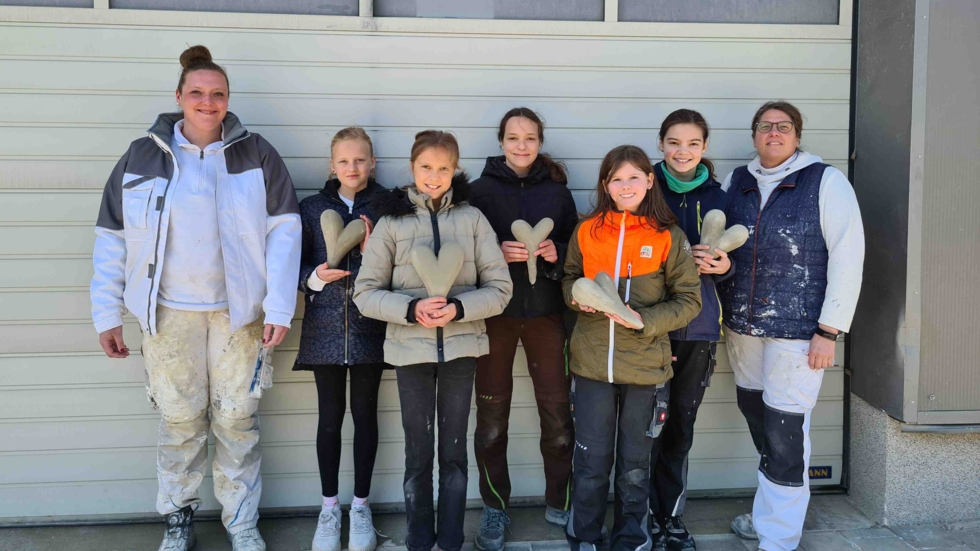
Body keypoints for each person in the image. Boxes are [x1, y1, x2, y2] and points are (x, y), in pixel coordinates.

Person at [90, 45, 301, 551]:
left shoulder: (257, 153)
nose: (208, 103)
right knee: (180, 421)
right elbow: (112, 238)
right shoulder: (143, 155)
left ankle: (241, 522)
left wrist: (277, 308)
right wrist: (107, 312)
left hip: (239, 316)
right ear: (179, 96)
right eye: (198, 93)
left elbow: (285, 231)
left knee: (236, 420)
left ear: (228, 99)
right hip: (168, 314)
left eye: (218, 94)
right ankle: (178, 518)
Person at [353, 130, 513, 551]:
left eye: (444, 168)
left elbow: (500, 288)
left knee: (455, 451)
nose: (434, 176)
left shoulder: (473, 220)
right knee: (418, 450)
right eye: (426, 167)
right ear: (412, 168)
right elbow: (365, 292)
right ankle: (419, 540)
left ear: (455, 170)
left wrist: (458, 309)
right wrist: (410, 310)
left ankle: (451, 540)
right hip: (410, 352)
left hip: (462, 350)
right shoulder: (391, 222)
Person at [718, 101, 864, 551]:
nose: (774, 133)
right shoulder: (736, 183)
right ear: (755, 135)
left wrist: (830, 330)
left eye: (784, 127)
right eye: (766, 126)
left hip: (799, 334)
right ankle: (769, 516)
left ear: (798, 137)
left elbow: (848, 255)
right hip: (743, 329)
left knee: (784, 433)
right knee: (760, 420)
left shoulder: (826, 182)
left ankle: (778, 539)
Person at [562, 145, 702, 551]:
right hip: (591, 368)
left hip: (645, 369)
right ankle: (585, 537)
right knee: (589, 462)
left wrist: (645, 321)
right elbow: (569, 277)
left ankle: (632, 540)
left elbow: (689, 300)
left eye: (634, 177)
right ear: (605, 184)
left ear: (649, 181)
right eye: (617, 178)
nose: (626, 186)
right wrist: (577, 295)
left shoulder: (667, 236)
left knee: (635, 467)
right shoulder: (586, 230)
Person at [467, 108, 579, 551]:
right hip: (492, 317)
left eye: (529, 138)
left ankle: (561, 500)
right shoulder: (476, 192)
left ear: (539, 142)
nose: (521, 145)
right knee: (492, 418)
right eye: (513, 137)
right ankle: (495, 507)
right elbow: (461, 254)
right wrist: (497, 254)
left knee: (557, 417)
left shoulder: (557, 192)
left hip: (547, 317)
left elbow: (579, 252)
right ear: (500, 141)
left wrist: (557, 252)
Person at [295, 127, 390, 551]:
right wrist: (315, 277)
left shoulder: (390, 206)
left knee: (365, 416)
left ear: (372, 163)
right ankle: (329, 509)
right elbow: (292, 270)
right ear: (332, 166)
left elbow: (402, 268)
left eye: (360, 159)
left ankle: (361, 507)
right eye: (344, 161)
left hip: (371, 327)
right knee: (330, 418)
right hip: (325, 330)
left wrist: (372, 254)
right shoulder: (312, 208)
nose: (353, 167)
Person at [648, 109, 732, 551]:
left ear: (704, 148)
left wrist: (725, 264)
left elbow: (741, 258)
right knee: (645, 425)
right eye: (675, 142)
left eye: (693, 143)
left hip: (698, 328)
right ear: (661, 143)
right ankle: (639, 516)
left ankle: (671, 519)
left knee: (679, 424)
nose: (683, 151)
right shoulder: (641, 188)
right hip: (646, 327)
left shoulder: (721, 196)